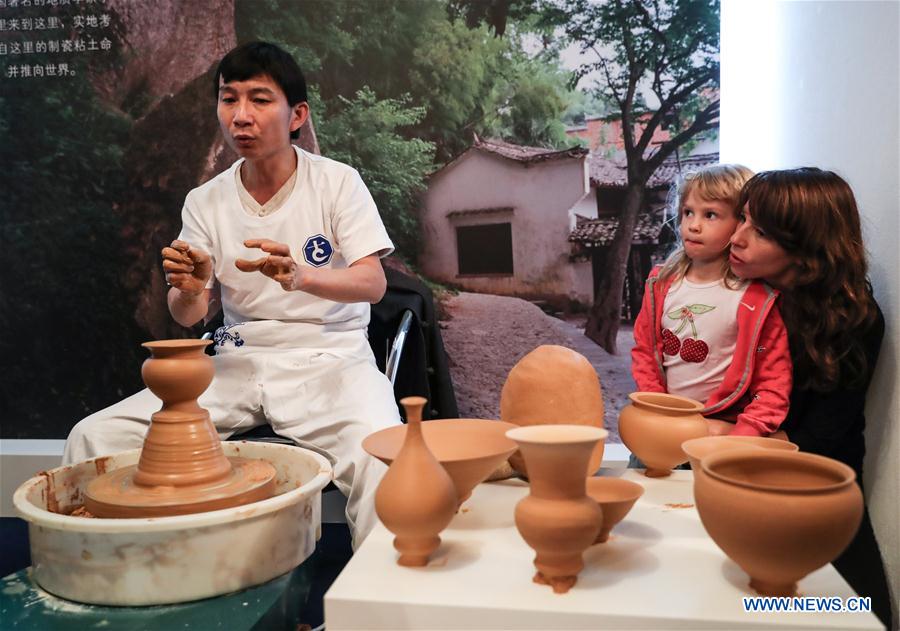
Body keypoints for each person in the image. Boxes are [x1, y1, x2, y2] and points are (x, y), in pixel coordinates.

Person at [63, 41, 400, 548]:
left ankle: (377, 614)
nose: (241, 116)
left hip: (331, 360)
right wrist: (191, 287)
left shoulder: (336, 183)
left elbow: (373, 283)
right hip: (237, 360)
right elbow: (187, 315)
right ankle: (116, 582)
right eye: (229, 99)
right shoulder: (206, 199)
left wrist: (300, 276)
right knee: (93, 438)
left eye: (260, 100)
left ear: (296, 115)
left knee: (382, 458)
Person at [729, 167, 893, 626]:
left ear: (806, 250)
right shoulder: (736, 297)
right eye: (741, 219)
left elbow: (817, 442)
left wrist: (719, 438)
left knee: (861, 617)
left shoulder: (852, 318)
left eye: (759, 231)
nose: (736, 238)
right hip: (742, 484)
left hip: (818, 500)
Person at [631, 164, 792, 438]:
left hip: (721, 427)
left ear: (739, 222)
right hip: (665, 423)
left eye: (711, 215)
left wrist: (745, 435)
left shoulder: (756, 299)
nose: (693, 225)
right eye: (687, 212)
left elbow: (773, 380)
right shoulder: (660, 283)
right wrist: (657, 407)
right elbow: (645, 351)